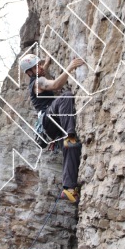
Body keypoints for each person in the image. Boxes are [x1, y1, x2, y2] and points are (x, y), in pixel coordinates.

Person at [19, 53, 85, 203]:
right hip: (49, 119)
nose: (41, 67)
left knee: (72, 149)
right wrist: (71, 66)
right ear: (30, 72)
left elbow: (41, 73)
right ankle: (70, 135)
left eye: (40, 65)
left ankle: (69, 189)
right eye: (37, 66)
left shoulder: (36, 79)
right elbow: (55, 85)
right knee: (66, 96)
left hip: (52, 125)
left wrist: (46, 63)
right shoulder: (37, 82)